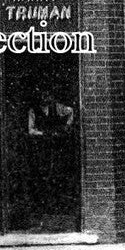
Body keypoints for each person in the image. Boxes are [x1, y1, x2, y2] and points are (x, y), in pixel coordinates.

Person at [26, 87, 75, 220]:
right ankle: (42, 206)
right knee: (41, 173)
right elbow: (30, 130)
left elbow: (70, 111)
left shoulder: (57, 107)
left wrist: (66, 127)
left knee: (57, 172)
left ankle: (56, 205)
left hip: (55, 145)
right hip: (40, 146)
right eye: (41, 96)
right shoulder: (33, 110)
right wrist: (43, 133)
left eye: (46, 95)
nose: (44, 98)